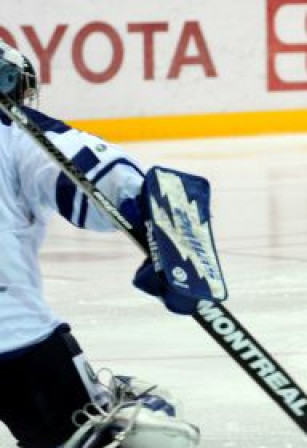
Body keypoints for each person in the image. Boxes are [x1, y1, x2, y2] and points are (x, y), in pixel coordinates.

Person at [0, 40, 217, 447]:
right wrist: (157, 222)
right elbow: (100, 178)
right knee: (140, 438)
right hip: (15, 343)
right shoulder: (14, 131)